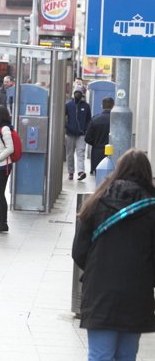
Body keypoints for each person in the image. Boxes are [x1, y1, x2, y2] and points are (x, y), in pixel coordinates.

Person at [72, 149, 155, 361]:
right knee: (127, 356)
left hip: (100, 293)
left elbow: (79, 251)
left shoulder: (97, 201)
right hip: (137, 295)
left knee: (99, 356)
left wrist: (98, 270)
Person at [65, 84, 92, 181]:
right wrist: (67, 127)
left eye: (79, 93)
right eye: (76, 93)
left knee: (81, 153)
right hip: (70, 134)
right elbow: (63, 117)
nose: (77, 94)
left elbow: (89, 119)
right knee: (70, 154)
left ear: (82, 94)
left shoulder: (86, 106)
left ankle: (81, 172)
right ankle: (71, 172)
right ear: (73, 93)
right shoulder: (68, 105)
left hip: (81, 134)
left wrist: (85, 129)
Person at [85, 97, 114, 175]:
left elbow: (87, 138)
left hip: (97, 152)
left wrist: (96, 143)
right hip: (112, 153)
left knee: (99, 178)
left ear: (102, 106)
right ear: (113, 106)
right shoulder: (116, 120)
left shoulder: (95, 119)